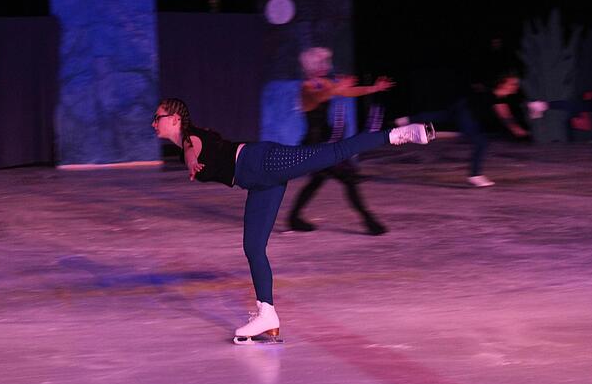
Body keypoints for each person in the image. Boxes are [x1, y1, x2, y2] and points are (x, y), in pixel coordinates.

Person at [152, 97, 435, 344]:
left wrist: (192, 161)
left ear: (175, 118)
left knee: (334, 153)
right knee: (253, 247)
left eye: (158, 117)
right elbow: (192, 148)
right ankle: (267, 315)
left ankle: (397, 134)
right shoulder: (188, 142)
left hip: (263, 162)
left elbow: (192, 147)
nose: (154, 123)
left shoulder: (190, 137)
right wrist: (190, 159)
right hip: (258, 182)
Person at [288, 47, 394, 235]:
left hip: (326, 141)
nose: (326, 66)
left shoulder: (324, 83)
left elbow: (347, 92)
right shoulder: (307, 87)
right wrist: (338, 87)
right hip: (315, 145)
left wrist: (374, 88)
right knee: (348, 178)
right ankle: (369, 221)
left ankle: (294, 218)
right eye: (322, 63)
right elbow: (320, 96)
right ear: (312, 66)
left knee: (319, 179)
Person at [396, 71, 528, 187]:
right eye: (512, 83)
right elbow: (505, 115)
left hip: (462, 107)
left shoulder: (497, 96)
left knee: (443, 116)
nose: (515, 86)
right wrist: (515, 129)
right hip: (466, 111)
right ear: (502, 83)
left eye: (516, 84)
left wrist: (515, 128)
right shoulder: (495, 97)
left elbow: (505, 113)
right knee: (481, 142)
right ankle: (475, 175)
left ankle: (407, 120)